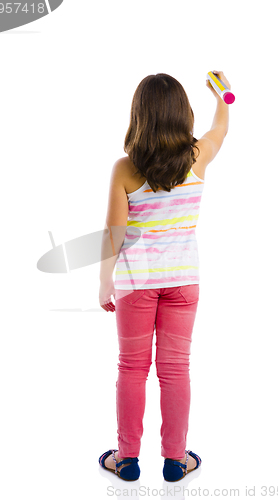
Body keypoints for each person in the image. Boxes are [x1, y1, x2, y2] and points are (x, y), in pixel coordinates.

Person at [98, 71, 231, 481]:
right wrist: (221, 92)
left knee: (132, 369)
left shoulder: (125, 169)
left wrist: (105, 282)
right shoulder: (198, 156)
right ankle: (176, 460)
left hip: (136, 285)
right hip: (184, 281)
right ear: (181, 114)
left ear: (139, 116)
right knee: (175, 370)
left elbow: (113, 234)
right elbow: (220, 127)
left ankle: (127, 459)